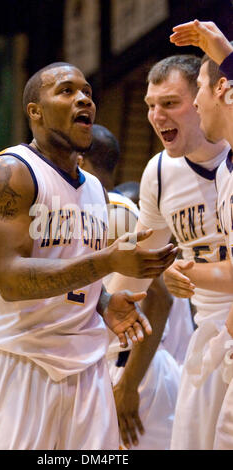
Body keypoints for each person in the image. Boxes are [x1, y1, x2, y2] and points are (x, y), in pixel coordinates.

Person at [0, 62, 177, 450]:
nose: (84, 98)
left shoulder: (96, 192)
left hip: (87, 368)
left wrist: (101, 302)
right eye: (66, 91)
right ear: (35, 111)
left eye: (87, 92)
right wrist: (108, 264)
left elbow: (73, 266)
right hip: (18, 362)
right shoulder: (8, 173)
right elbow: (10, 279)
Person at [109, 53, 232, 450]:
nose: (157, 115)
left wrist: (187, 271)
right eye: (150, 105)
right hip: (209, 330)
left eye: (170, 103)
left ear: (201, 98)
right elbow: (143, 268)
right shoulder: (159, 174)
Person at [79, 124, 192, 450]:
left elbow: (159, 295)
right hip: (150, 370)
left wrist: (129, 385)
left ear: (81, 160)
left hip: (129, 370)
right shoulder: (100, 210)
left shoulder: (112, 210)